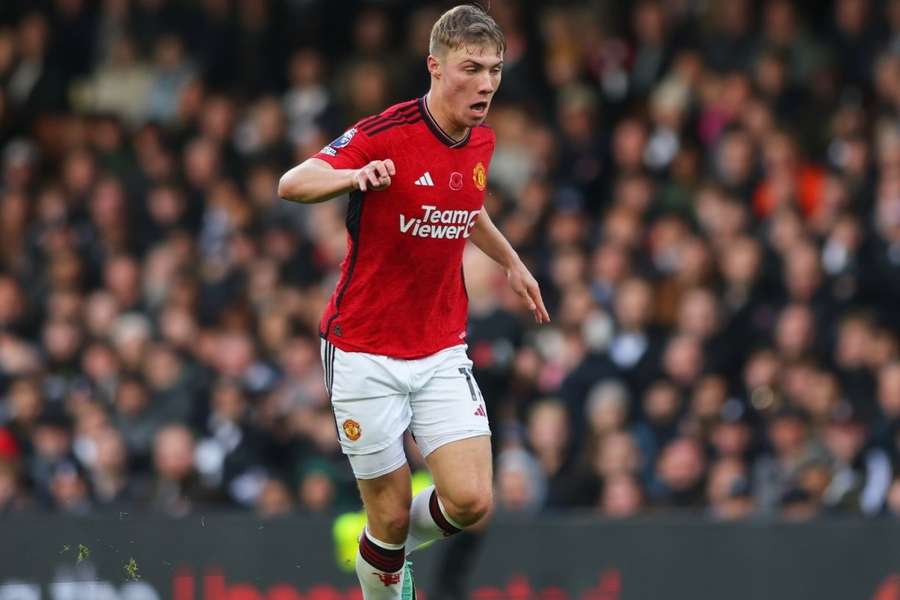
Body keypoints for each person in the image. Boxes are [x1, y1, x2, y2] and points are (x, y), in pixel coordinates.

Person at [278, 5, 549, 600]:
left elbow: (465, 204)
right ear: (435, 66)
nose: (485, 84)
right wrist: (353, 178)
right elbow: (292, 183)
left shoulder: (481, 141)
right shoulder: (384, 134)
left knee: (473, 500)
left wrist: (511, 260)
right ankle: (385, 564)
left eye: (495, 70)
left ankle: (381, 554)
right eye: (471, 68)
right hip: (362, 349)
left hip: (438, 345)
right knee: (393, 514)